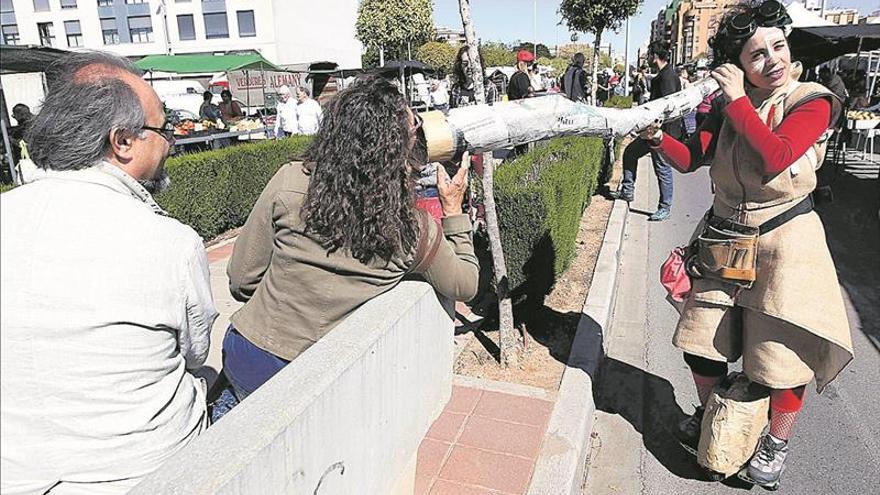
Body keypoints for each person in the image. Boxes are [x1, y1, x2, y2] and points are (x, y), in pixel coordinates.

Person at [642, 1, 853, 489]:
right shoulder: (726, 104)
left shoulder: (813, 100)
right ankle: (709, 412)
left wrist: (736, 99)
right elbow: (692, 158)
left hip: (786, 243)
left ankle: (776, 441)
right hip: (723, 237)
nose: (773, 60)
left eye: (777, 46)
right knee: (701, 341)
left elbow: (775, 156)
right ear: (739, 64)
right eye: (756, 55)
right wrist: (656, 139)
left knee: (779, 357)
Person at [0, 51, 218, 494]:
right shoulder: (170, 243)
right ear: (122, 142)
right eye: (163, 130)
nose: (170, 143)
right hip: (142, 474)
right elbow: (194, 354)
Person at [218, 75, 479, 408]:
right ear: (401, 147)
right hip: (327, 381)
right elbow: (466, 283)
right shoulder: (412, 227)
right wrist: (454, 210)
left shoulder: (290, 181)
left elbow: (241, 281)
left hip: (251, 358)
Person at [609, 41, 683, 221]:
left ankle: (665, 207)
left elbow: (668, 108)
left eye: (649, 55)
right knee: (630, 153)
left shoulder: (667, 77)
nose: (648, 59)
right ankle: (627, 190)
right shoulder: (663, 75)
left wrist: (657, 133)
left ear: (654, 56)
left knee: (662, 168)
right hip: (651, 130)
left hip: (661, 133)